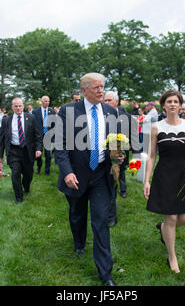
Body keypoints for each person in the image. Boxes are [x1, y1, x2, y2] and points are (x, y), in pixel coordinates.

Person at [55, 72, 122, 286]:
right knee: (77, 214)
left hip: (101, 176)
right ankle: (78, 242)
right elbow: (60, 144)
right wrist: (67, 172)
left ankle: (105, 274)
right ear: (84, 90)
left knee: (101, 221)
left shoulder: (111, 111)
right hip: (76, 174)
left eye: (102, 87)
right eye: (96, 87)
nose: (101, 91)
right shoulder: (68, 111)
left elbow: (116, 142)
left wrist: (119, 154)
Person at [143, 90, 185, 274]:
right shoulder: (157, 128)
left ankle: (163, 229)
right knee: (170, 217)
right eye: (169, 101)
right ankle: (172, 257)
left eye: (176, 101)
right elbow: (152, 156)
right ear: (163, 105)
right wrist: (147, 181)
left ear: (180, 104)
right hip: (164, 175)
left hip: (182, 176)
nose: (172, 104)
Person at [0, 98, 42, 203]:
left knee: (28, 174)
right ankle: (19, 197)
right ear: (12, 107)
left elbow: (38, 136)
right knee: (15, 173)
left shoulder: (31, 118)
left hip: (27, 151)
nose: (18, 108)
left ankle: (26, 187)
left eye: (20, 106)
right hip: (13, 151)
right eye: (16, 106)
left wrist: (39, 149)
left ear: (23, 106)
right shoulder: (6, 120)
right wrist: (0, 155)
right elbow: (2, 138)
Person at [104, 91, 130, 227]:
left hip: (118, 154)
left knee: (114, 183)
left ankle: (111, 216)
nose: (106, 103)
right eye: (105, 100)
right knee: (108, 186)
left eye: (109, 100)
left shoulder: (124, 117)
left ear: (116, 101)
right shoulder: (102, 115)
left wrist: (122, 153)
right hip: (103, 155)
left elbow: (128, 137)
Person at [33, 95, 56, 175]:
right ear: (42, 102)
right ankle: (39, 167)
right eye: (46, 101)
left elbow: (54, 125)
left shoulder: (52, 111)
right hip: (38, 137)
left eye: (48, 101)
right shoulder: (35, 112)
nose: (47, 103)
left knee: (48, 155)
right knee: (38, 154)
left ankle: (47, 170)